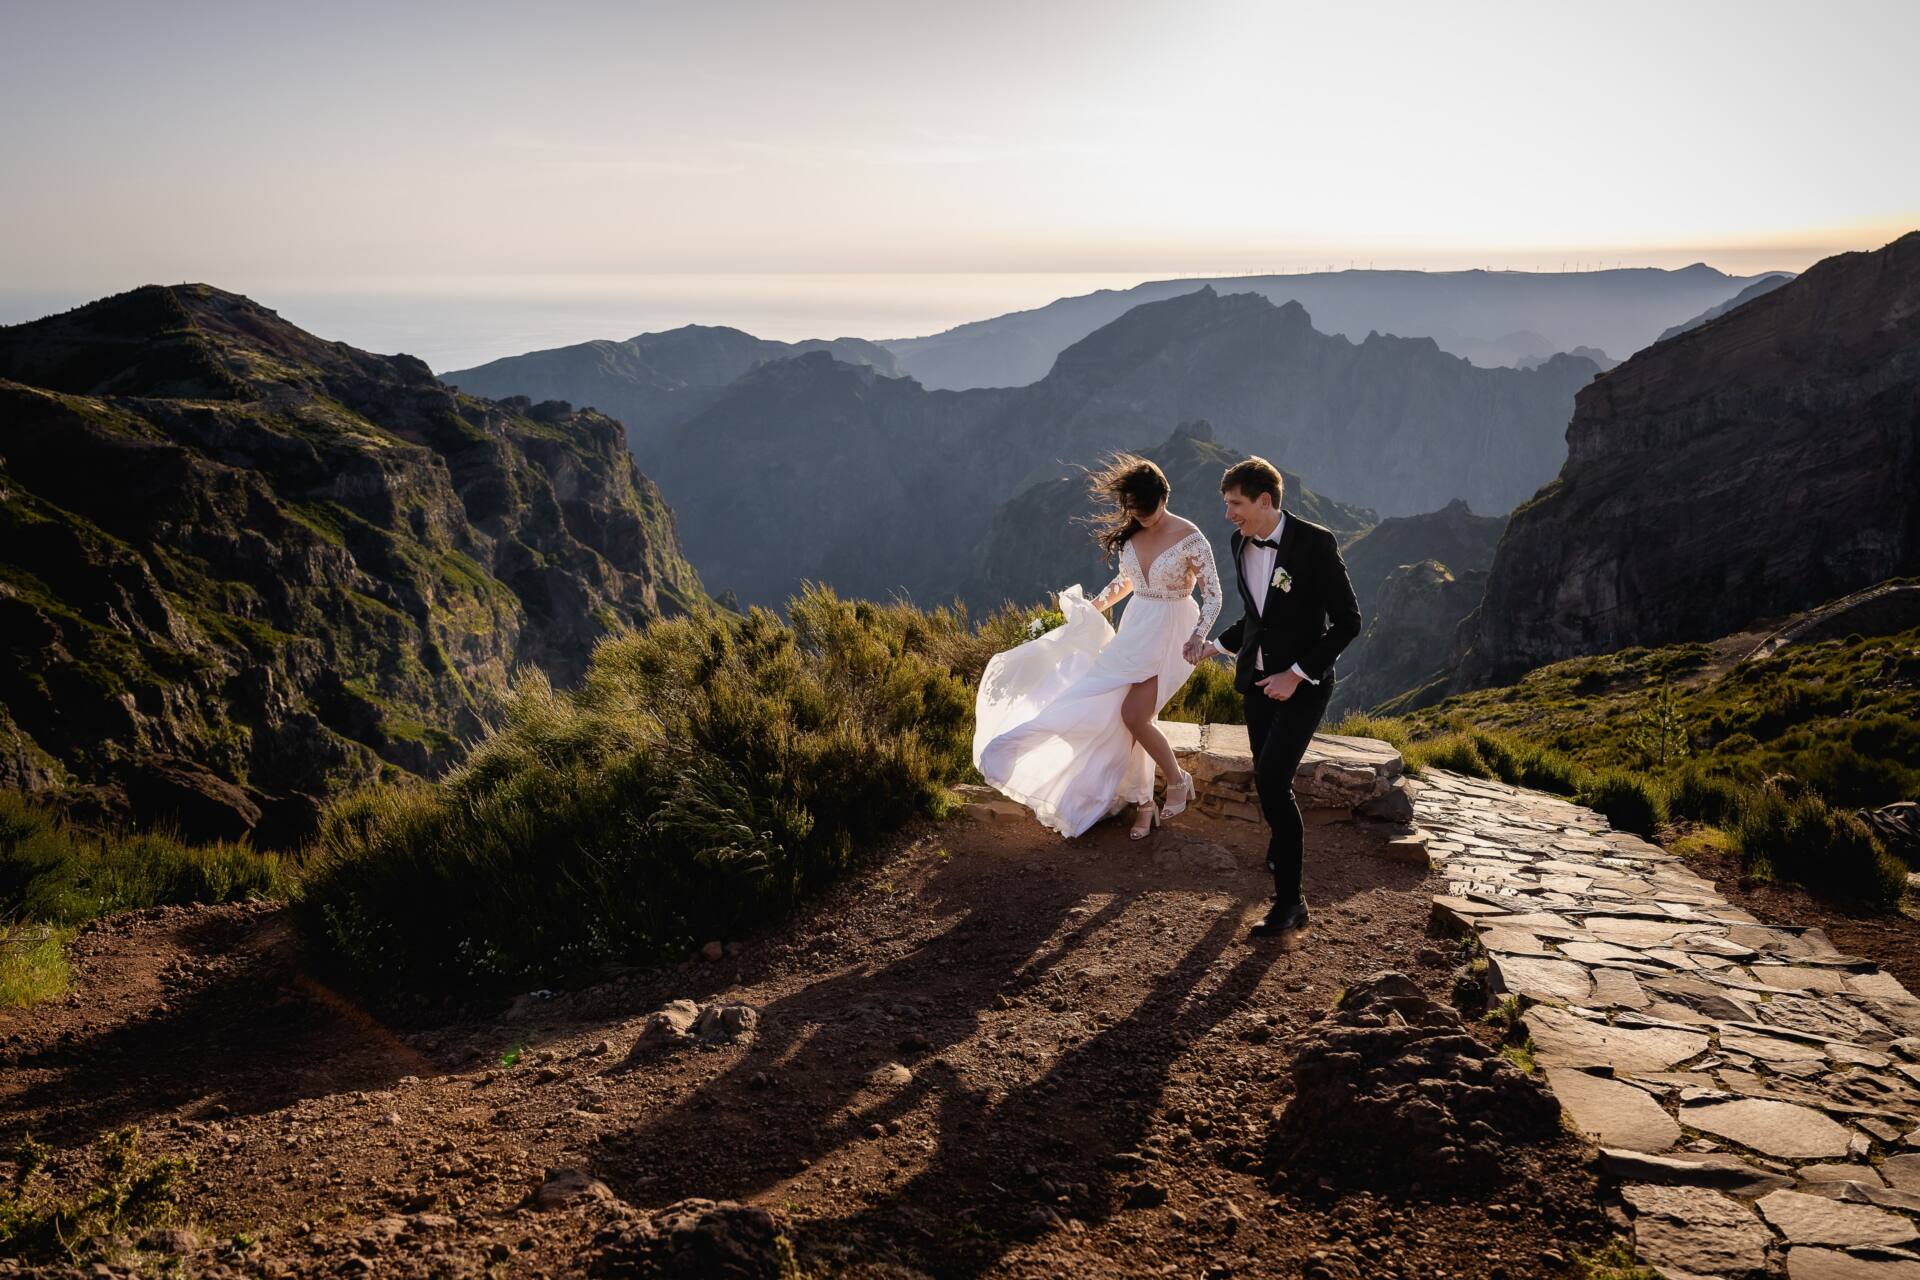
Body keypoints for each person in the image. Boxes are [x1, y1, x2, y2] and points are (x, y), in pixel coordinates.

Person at [974, 454, 1223, 840]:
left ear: (1164, 496)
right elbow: (1127, 582)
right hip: (1136, 628)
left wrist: (1198, 636)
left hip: (1174, 632)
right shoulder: (1132, 534)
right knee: (1106, 707)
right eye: (1134, 510)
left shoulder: (1189, 537)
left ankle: (1176, 780)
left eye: (1147, 508)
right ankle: (1144, 804)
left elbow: (1215, 596)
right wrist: (1093, 608)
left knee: (1136, 714)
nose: (1141, 516)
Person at [1182, 456, 1361, 941]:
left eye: (1235, 504)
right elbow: (1257, 618)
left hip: (1302, 687)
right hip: (1256, 685)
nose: (1228, 515)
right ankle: (1282, 848)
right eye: (1226, 505)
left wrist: (1297, 675)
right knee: (1268, 782)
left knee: (1274, 780)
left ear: (1265, 501)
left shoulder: (1316, 544)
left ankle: (1291, 903)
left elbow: (1348, 622)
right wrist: (1213, 645)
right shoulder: (1240, 541)